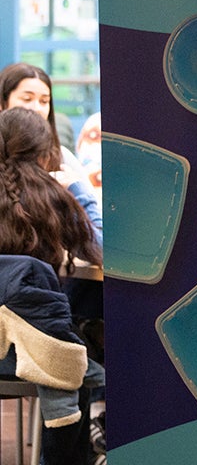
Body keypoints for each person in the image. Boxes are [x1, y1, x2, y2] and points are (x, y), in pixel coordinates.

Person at [0, 106, 105, 465]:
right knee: (77, 356)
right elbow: (106, 251)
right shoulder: (52, 197)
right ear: (46, 153)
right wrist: (77, 186)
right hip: (39, 357)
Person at [0, 63, 101, 244]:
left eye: (44, 101)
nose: (37, 108)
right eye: (27, 98)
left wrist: (74, 188)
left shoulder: (62, 159)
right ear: (3, 102)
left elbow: (99, 242)